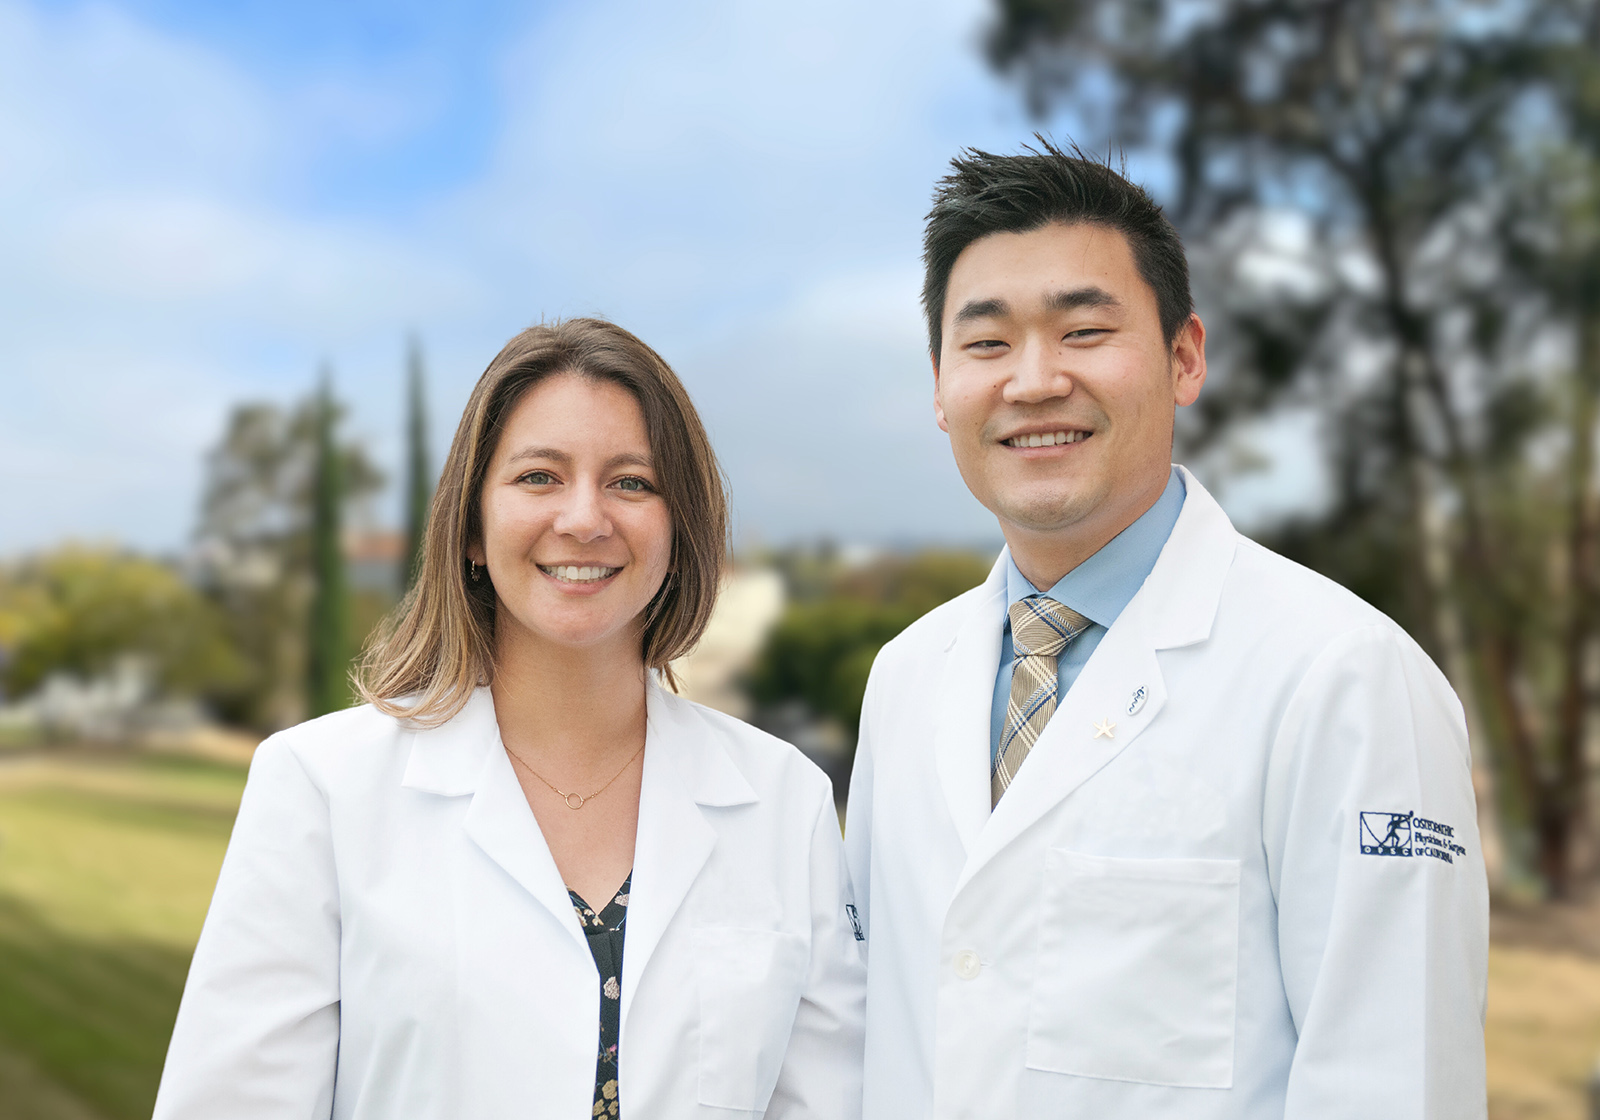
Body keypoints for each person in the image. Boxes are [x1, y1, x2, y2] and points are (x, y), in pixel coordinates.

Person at [843, 141, 1488, 1119]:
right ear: (939, 387)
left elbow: (1395, 1081)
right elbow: (865, 1031)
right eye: (984, 343)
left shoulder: (1344, 678)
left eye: (1083, 331)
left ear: (1184, 357)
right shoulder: (903, 679)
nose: (1031, 380)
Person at [154, 318, 866, 1120]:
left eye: (632, 482)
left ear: (680, 531)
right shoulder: (321, 788)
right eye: (539, 477)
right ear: (470, 528)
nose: (584, 518)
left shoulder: (785, 805)